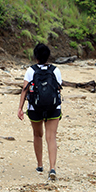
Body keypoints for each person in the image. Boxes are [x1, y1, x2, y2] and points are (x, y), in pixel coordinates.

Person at [17, 43, 62, 180]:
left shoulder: (31, 71)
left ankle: (40, 164)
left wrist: (20, 108)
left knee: (38, 135)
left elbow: (25, 90)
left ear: (35, 56)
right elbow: (58, 90)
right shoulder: (55, 70)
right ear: (48, 56)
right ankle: (52, 168)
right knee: (51, 137)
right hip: (53, 108)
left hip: (35, 108)